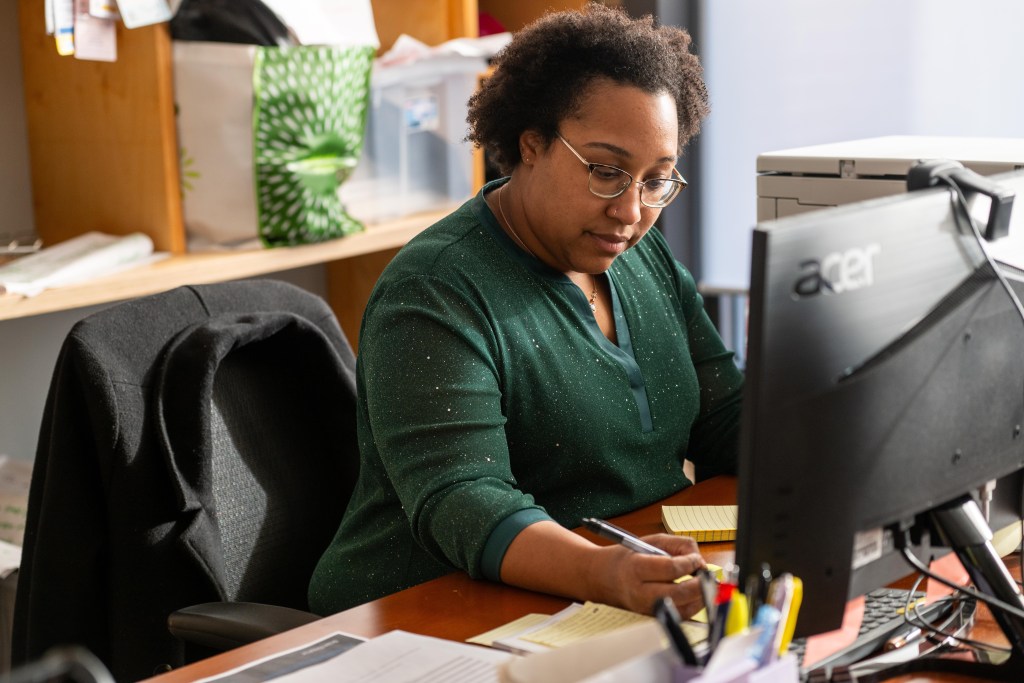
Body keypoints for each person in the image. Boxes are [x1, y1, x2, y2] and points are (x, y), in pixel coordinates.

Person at [308, 3, 744, 618]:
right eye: (606, 171)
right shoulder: (437, 289)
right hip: (428, 611)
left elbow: (726, 419)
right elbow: (464, 498)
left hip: (604, 592)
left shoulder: (641, 260)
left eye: (655, 181)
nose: (630, 211)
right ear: (531, 143)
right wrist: (604, 572)